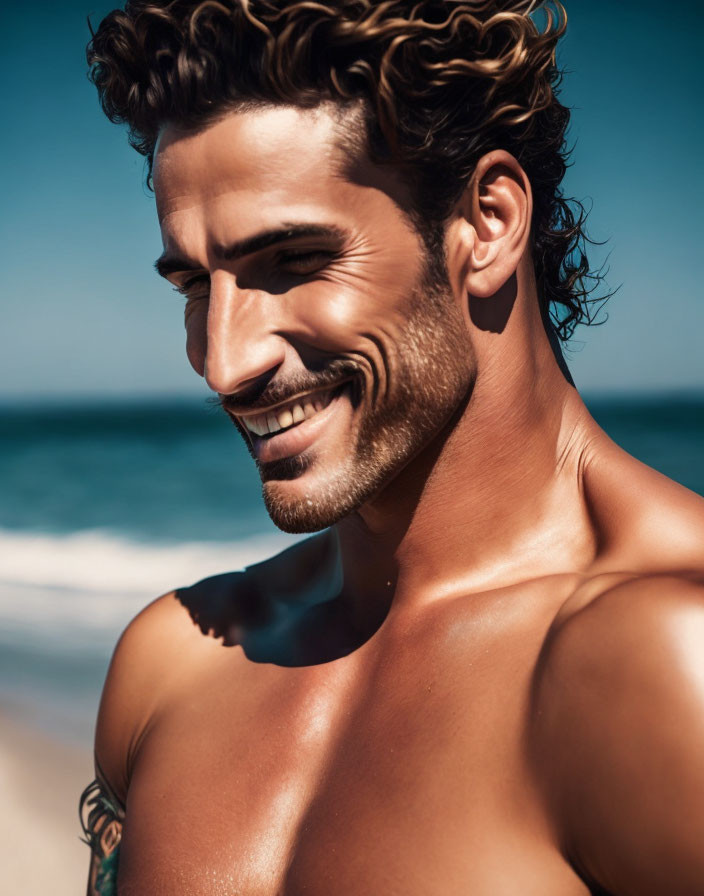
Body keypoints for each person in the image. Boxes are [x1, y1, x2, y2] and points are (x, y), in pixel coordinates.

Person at [79, 1, 704, 894]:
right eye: (194, 284)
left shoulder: (670, 669)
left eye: (292, 260)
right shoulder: (171, 665)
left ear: (486, 223)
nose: (223, 363)